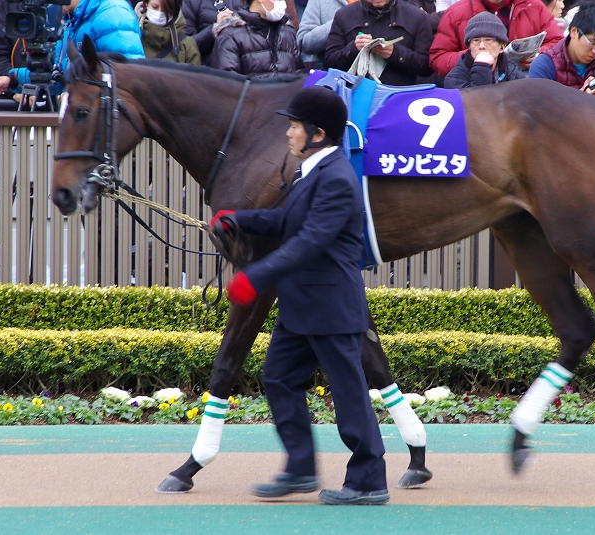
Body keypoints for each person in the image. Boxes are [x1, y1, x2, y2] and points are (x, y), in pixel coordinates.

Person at [211, 86, 390, 506]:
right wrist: (238, 219)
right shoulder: (312, 170)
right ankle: (300, 466)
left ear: (318, 133)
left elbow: (309, 241)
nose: (288, 133)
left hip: (330, 306)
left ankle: (368, 480)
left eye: (293, 127)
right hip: (302, 306)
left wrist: (254, 277)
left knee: (348, 394)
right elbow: (287, 221)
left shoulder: (338, 180)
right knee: (278, 377)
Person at [0, 0, 144, 100]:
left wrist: (79, 94)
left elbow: (130, 79)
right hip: (89, 125)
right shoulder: (72, 20)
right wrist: (13, 79)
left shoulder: (113, 12)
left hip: (109, 133)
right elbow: (59, 74)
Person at [429, 0, 564, 78]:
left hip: (524, 85)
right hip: (472, 88)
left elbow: (558, 42)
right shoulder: (457, 12)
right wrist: (473, 56)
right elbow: (438, 58)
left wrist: (541, 56)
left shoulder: (534, 6)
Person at [323, 0, 433, 86]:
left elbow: (427, 66)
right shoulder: (343, 15)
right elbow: (329, 62)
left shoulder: (416, 16)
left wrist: (395, 53)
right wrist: (353, 48)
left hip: (400, 94)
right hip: (356, 92)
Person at [208, 0, 303, 76]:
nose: (283, 3)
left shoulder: (288, 32)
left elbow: (300, 74)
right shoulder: (231, 37)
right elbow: (227, 84)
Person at [444, 12, 524, 87]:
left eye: (488, 40)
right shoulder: (455, 78)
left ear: (502, 46)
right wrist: (481, 67)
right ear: (469, 47)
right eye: (476, 40)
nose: (482, 46)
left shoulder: (513, 73)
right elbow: (478, 101)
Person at [135, 0, 202, 64]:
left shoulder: (187, 46)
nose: (159, 14)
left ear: (175, 12)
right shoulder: (132, 36)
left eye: (166, 10)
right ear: (145, 4)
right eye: (154, 7)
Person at [296, 0, 347, 68]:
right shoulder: (319, 1)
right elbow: (304, 43)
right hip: (330, 72)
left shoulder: (365, 3)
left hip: (363, 73)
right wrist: (337, 22)